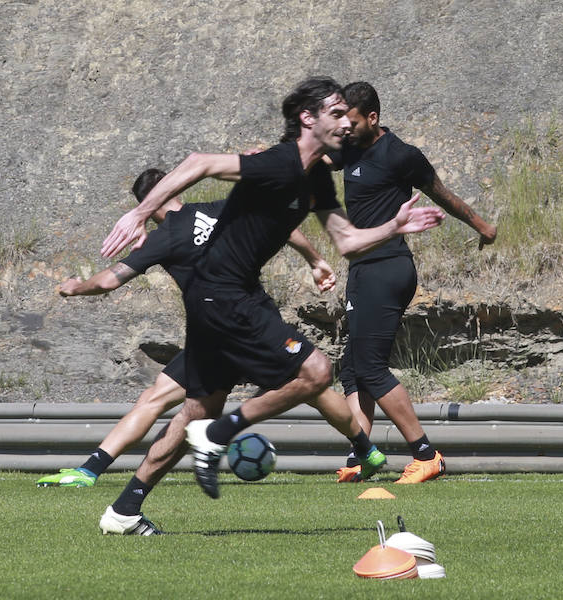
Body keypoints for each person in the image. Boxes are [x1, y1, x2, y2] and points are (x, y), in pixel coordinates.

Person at [100, 76, 445, 512]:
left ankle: (126, 508)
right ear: (308, 119)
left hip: (229, 298)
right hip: (225, 297)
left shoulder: (317, 176)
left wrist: (392, 227)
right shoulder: (278, 163)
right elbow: (199, 161)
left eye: (347, 116)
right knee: (316, 372)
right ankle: (223, 434)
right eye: (336, 115)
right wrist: (139, 213)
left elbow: (348, 242)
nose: (346, 125)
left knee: (197, 410)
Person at [36, 168, 336, 489]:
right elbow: (282, 226)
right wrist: (315, 260)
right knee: (313, 383)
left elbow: (110, 279)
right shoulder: (221, 208)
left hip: (218, 333)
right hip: (247, 322)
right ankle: (364, 447)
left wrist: (76, 287)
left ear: (149, 204)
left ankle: (103, 478)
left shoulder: (163, 237)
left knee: (170, 406)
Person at [327, 81, 497, 484]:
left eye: (352, 121)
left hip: (388, 268)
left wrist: (482, 226)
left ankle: (425, 454)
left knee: (369, 366)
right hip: (361, 269)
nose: (346, 129)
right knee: (352, 369)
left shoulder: (401, 155)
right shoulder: (348, 148)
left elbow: (442, 194)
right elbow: (311, 157)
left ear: (373, 117)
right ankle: (362, 456)